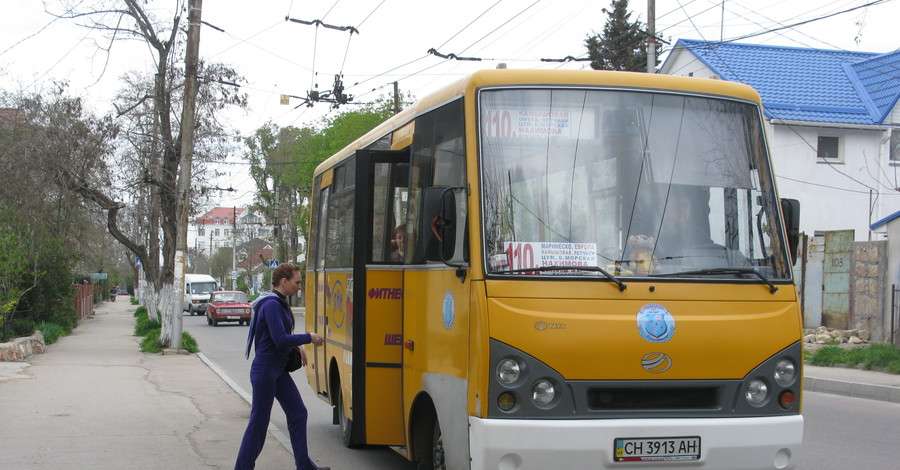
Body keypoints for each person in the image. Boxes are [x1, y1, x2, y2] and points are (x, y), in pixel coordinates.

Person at [235, 263, 328, 470]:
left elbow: (278, 337)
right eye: (297, 282)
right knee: (258, 424)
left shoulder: (278, 302)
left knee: (298, 413)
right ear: (284, 281)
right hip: (266, 371)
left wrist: (297, 346)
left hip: (276, 371)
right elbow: (279, 338)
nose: (299, 286)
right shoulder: (272, 305)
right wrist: (307, 338)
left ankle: (304, 466)